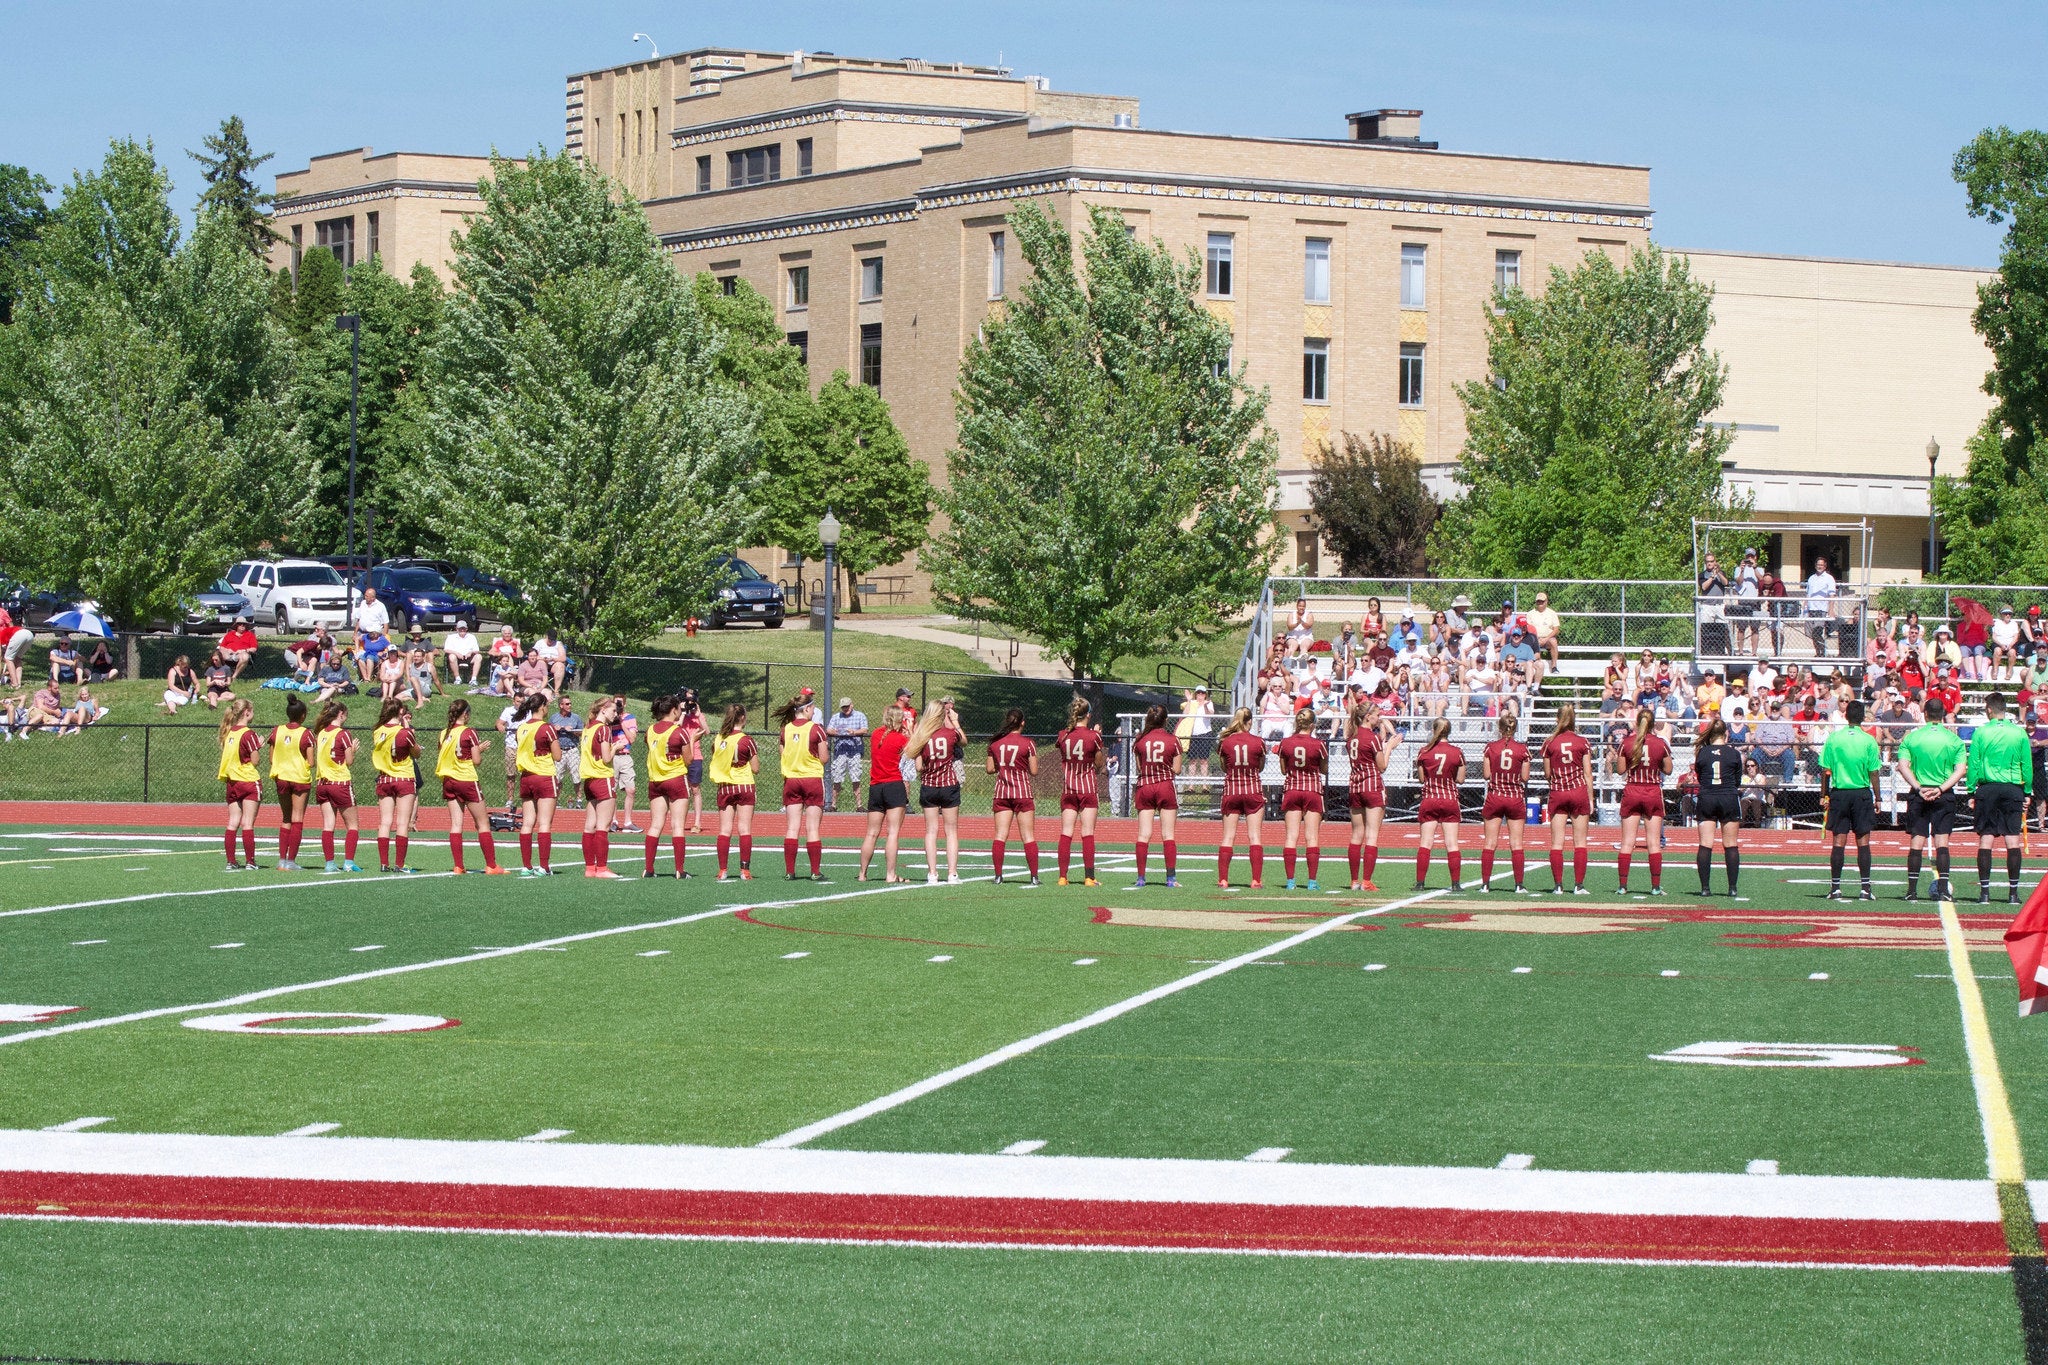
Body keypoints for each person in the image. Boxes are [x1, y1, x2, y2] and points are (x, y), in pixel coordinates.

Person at [1897, 696, 1967, 902]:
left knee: (1917, 841)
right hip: (1943, 794)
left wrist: (1919, 788)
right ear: (1943, 714)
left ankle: (1911, 891)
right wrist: (1941, 788)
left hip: (1920, 793)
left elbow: (1903, 766)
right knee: (1942, 842)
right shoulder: (1953, 739)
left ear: (1925, 714)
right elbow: (1960, 770)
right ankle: (1944, 890)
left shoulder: (1912, 738)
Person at [1967, 691, 2033, 905]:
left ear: (1989, 709)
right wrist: (2027, 791)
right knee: (2012, 839)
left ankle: (1984, 893)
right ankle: (2013, 893)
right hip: (2013, 788)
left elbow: (1974, 764)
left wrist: (1970, 790)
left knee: (1986, 838)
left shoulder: (1981, 732)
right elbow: (2027, 765)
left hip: (1988, 788)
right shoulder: (2019, 733)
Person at [1817, 698, 1883, 901]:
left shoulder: (1834, 738)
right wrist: (1878, 797)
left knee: (1839, 842)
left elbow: (1824, 771)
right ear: (1863, 717)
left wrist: (1823, 795)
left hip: (1839, 793)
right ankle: (1865, 888)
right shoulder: (1868, 740)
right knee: (1863, 842)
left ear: (1845, 716)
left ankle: (1835, 887)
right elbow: (1874, 773)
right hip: (1861, 793)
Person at [437, 699, 506, 875]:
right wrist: (479, 750)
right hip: (466, 780)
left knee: (456, 824)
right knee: (482, 824)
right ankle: (491, 865)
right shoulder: (469, 732)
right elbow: (476, 761)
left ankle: (458, 866)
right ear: (466, 714)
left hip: (449, 780)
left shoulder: (444, 733)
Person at [981, 708, 1040, 885]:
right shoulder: (1028, 743)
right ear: (1022, 722)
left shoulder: (995, 744)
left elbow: (990, 769)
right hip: (1022, 792)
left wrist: (1003, 766)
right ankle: (1034, 877)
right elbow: (1034, 771)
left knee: (1000, 835)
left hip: (1002, 791)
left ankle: (998, 876)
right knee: (1028, 836)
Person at [908, 702, 965, 884]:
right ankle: (952, 873)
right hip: (948, 784)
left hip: (929, 785)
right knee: (951, 831)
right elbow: (964, 741)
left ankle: (932, 873)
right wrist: (955, 722)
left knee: (931, 831)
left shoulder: (922, 736)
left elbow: (918, 767)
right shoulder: (949, 734)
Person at [1540, 703, 1594, 895]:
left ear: (1557, 719)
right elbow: (1588, 774)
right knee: (1580, 842)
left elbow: (1548, 773)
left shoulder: (1549, 742)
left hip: (1558, 791)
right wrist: (1591, 798)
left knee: (1557, 843)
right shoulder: (1582, 741)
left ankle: (1558, 885)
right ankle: (1579, 885)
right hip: (1578, 791)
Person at [1617, 709, 1672, 895]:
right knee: (1654, 843)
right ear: (1653, 723)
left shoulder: (1626, 742)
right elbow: (1669, 770)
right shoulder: (1660, 743)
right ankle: (1655, 887)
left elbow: (1620, 770)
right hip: (1652, 790)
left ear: (1637, 722)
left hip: (1632, 789)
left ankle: (1623, 886)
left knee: (1627, 843)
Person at [773, 693, 828, 881]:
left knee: (792, 828)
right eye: (813, 708)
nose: (814, 712)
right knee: (812, 828)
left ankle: (790, 871)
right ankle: (815, 871)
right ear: (806, 709)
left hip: (791, 780)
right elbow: (824, 758)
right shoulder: (816, 729)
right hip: (812, 779)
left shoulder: (785, 729)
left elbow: (783, 754)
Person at [1272, 709, 1327, 891]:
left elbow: (1283, 770)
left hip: (1292, 788)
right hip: (1312, 790)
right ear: (1312, 725)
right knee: (1311, 837)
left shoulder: (1286, 743)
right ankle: (1312, 882)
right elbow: (1324, 769)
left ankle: (1290, 881)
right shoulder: (1319, 744)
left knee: (1290, 836)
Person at [1129, 703, 1183, 889]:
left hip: (1145, 785)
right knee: (1168, 834)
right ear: (1166, 720)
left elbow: (1138, 767)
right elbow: (1176, 769)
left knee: (1144, 834)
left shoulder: (1140, 741)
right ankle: (1170, 878)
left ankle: (1141, 878)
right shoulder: (1173, 740)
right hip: (1165, 785)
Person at [1214, 707, 1268, 889]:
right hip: (1253, 790)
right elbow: (1260, 767)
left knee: (1228, 837)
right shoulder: (1258, 742)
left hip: (1232, 790)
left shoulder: (1224, 742)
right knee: (1254, 836)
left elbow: (1224, 767)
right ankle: (1256, 880)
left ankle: (1223, 879)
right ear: (1250, 721)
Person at [1476, 712, 1530, 894]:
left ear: (1500, 728)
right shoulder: (1522, 749)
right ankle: (1519, 885)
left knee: (1490, 843)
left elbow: (1486, 775)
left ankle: (1485, 884)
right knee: (1516, 843)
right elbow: (1525, 777)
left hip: (1495, 795)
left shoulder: (1490, 747)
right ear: (1515, 728)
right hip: (1514, 796)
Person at [1692, 718, 1745, 897]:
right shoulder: (1734, 754)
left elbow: (1700, 777)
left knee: (1705, 844)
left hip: (1707, 797)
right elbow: (1737, 780)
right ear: (1726, 733)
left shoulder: (1702, 753)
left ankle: (1705, 888)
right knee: (1730, 844)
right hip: (1728, 797)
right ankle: (1732, 888)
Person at [858, 705, 911, 882]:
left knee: (871, 833)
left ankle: (862, 873)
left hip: (876, 786)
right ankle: (890, 874)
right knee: (893, 832)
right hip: (894, 785)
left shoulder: (875, 735)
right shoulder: (900, 738)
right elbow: (912, 751)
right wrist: (909, 732)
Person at [511, 691, 562, 877]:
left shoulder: (521, 728)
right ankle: (544, 866)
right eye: (547, 705)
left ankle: (526, 866)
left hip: (526, 777)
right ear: (542, 707)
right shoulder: (547, 727)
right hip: (544, 776)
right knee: (544, 823)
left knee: (527, 824)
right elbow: (557, 756)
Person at [1054, 698, 1104, 887]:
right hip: (1088, 788)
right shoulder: (1094, 736)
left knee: (1066, 832)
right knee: (1087, 833)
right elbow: (1099, 764)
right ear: (1089, 715)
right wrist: (1097, 736)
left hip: (1069, 788)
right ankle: (1089, 877)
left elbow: (1062, 749)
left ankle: (1062, 876)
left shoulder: (1063, 735)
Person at [640, 696, 691, 878]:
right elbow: (688, 759)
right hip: (675, 778)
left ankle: (649, 868)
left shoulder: (650, 730)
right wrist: (692, 741)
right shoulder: (679, 731)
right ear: (674, 710)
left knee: (655, 825)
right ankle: (679, 869)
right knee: (677, 825)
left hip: (656, 781)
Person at [1414, 717, 1466, 890]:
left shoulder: (1424, 751)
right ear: (1449, 731)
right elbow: (1460, 779)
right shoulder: (1457, 752)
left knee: (1426, 842)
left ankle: (1420, 883)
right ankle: (1456, 884)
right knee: (1452, 843)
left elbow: (1422, 779)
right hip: (1450, 798)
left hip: (1430, 798)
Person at [370, 699, 421, 875]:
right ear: (400, 712)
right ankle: (399, 864)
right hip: (404, 778)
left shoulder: (378, 731)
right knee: (402, 823)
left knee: (384, 822)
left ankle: (384, 863)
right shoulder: (404, 732)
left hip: (384, 778)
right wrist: (407, 727)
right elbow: (416, 753)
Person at [708, 703, 758, 881]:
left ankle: (723, 870)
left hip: (725, 786)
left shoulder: (719, 738)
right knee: (744, 829)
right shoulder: (747, 740)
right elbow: (756, 768)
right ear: (742, 718)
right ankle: (745, 870)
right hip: (744, 785)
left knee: (724, 829)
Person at [1344, 703, 1391, 892]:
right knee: (1372, 835)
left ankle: (1354, 880)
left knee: (1356, 835)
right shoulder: (1372, 738)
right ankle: (1366, 881)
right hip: (1371, 786)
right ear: (1367, 717)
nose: (1378, 718)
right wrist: (1389, 747)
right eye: (1377, 714)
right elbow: (1382, 766)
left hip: (1355, 786)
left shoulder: (1351, 738)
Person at [312, 700, 363, 874]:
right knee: (353, 825)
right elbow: (348, 761)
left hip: (322, 784)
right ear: (340, 714)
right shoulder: (343, 734)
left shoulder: (320, 734)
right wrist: (353, 750)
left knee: (328, 825)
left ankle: (329, 864)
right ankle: (348, 862)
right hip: (340, 783)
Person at [575, 696, 623, 879]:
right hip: (602, 777)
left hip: (589, 779)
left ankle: (590, 868)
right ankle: (602, 868)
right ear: (603, 709)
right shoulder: (603, 729)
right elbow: (606, 758)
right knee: (603, 826)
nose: (615, 715)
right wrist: (615, 747)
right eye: (613, 711)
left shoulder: (588, 728)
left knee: (589, 826)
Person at [216, 698, 264, 873]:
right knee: (248, 823)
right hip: (249, 780)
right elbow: (255, 760)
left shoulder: (229, 733)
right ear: (247, 712)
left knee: (232, 822)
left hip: (232, 782)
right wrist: (258, 746)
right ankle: (250, 861)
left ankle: (231, 861)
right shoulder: (248, 733)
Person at [269, 695, 315, 872]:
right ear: (303, 715)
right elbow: (310, 762)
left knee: (286, 818)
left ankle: (281, 860)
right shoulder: (306, 733)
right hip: (299, 778)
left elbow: (271, 757)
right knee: (297, 818)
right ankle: (291, 861)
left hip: (281, 777)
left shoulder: (277, 730)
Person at [825, 697, 870, 812]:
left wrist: (854, 732)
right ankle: (833, 804)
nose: (846, 709)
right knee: (837, 777)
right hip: (840, 751)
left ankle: (859, 805)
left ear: (852, 705)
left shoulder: (860, 716)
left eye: (847, 706)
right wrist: (835, 732)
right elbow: (828, 729)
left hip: (854, 751)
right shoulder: (836, 717)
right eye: (843, 707)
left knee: (856, 777)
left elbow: (865, 730)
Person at [679, 690, 708, 834]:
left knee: (695, 789)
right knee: (682, 790)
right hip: (680, 756)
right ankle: (680, 821)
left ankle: (697, 822)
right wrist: (683, 712)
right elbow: (676, 726)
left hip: (695, 755)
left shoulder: (698, 716)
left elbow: (707, 731)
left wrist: (698, 715)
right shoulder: (679, 715)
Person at [609, 700, 640, 834]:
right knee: (612, 790)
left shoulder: (629, 718)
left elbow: (632, 739)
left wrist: (621, 723)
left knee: (630, 789)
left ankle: (627, 822)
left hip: (625, 756)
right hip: (613, 756)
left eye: (620, 704)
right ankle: (613, 821)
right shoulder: (608, 718)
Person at [352, 587, 391, 683]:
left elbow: (385, 623)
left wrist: (384, 636)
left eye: (367, 596)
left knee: (370, 657)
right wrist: (355, 633)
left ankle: (369, 678)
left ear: (373, 597)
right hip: (363, 633)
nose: (365, 597)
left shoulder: (380, 606)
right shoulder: (362, 604)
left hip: (376, 634)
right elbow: (358, 620)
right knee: (361, 657)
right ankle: (364, 677)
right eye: (365, 595)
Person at [1177, 686, 1216, 777]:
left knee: (1204, 760)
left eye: (1202, 693)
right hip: (1192, 734)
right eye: (1198, 693)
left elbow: (1209, 715)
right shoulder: (1192, 703)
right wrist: (1189, 701)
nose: (1200, 695)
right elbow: (1185, 714)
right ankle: (1191, 785)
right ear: (1195, 694)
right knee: (1192, 760)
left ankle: (1204, 785)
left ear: (1205, 695)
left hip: (1205, 734)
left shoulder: (1209, 703)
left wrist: (1205, 706)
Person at [441, 621, 484, 688]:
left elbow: (477, 650)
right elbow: (446, 649)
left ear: (466, 629)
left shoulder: (472, 637)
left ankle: (473, 679)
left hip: (469, 657)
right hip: (456, 658)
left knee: (479, 656)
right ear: (457, 629)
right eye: (460, 628)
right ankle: (457, 679)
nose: (462, 630)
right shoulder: (451, 637)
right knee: (452, 656)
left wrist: (470, 653)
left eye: (464, 628)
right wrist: (456, 653)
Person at [219, 618, 259, 682]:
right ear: (236, 625)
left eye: (244, 624)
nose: (242, 626)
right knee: (219, 653)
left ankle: (234, 676)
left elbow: (254, 648)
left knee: (245, 657)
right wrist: (227, 650)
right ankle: (220, 675)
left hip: (241, 654)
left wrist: (244, 650)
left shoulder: (250, 635)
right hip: (228, 654)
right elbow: (221, 647)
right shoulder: (230, 634)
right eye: (240, 624)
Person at [1993, 605, 2025, 684]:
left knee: (2012, 653)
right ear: (2002, 614)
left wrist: (2010, 645)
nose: (2008, 615)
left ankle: (2009, 671)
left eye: (2009, 614)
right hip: (1999, 643)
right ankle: (1995, 671)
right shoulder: (1997, 623)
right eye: (2006, 613)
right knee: (1997, 651)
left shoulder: (2014, 624)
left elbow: (2016, 637)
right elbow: (1994, 637)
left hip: (2011, 644)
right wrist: (2001, 645)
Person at [534, 630, 568, 694]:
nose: (551, 641)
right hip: (542, 662)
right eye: (550, 639)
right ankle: (540, 688)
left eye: (553, 640)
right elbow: (533, 655)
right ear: (546, 636)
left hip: (553, 664)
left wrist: (553, 659)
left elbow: (563, 658)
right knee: (541, 663)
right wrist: (543, 659)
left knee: (560, 666)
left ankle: (556, 691)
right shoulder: (540, 643)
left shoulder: (558, 644)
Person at [0, 619, 31, 689]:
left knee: (8, 659)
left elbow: (1, 654)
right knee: (17, 658)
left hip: (19, 635)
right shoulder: (5, 633)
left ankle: (14, 683)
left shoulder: (1, 635)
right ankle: (18, 683)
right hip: (29, 634)